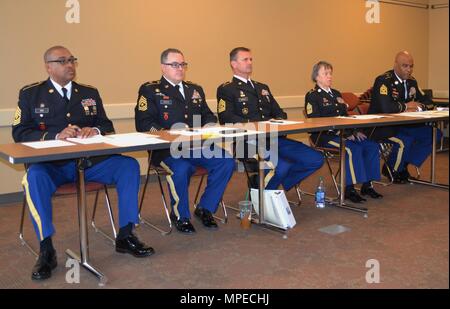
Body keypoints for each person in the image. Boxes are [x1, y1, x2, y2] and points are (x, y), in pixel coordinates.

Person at [12, 46, 155, 281]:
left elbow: (107, 125)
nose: (70, 65)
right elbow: (20, 132)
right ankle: (46, 248)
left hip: (89, 163)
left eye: (72, 60)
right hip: (52, 167)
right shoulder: (31, 94)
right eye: (63, 61)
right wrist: (56, 135)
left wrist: (95, 129)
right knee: (33, 177)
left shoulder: (89, 92)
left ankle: (126, 235)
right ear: (49, 66)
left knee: (128, 166)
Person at [135, 48, 235, 234]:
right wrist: (167, 135)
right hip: (166, 149)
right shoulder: (150, 90)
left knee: (226, 161)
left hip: (198, 146)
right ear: (163, 67)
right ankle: (181, 215)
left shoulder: (194, 90)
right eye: (174, 65)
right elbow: (144, 123)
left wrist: (210, 125)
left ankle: (205, 208)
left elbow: (207, 115)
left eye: (182, 64)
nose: (180, 68)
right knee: (181, 169)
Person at [217, 47, 323, 192]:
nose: (249, 62)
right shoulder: (227, 89)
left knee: (315, 159)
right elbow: (226, 117)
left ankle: (268, 183)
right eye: (245, 59)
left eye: (251, 59)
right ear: (233, 64)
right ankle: (264, 198)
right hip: (249, 143)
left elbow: (279, 112)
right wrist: (256, 126)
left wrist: (278, 121)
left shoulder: (262, 87)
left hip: (274, 138)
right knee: (281, 166)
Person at [305, 61, 383, 202]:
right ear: (317, 77)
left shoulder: (336, 94)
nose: (330, 76)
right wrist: (343, 134)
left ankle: (367, 185)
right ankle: (349, 189)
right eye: (326, 73)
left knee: (371, 145)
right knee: (351, 150)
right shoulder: (312, 96)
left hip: (344, 133)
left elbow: (345, 117)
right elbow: (315, 121)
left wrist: (354, 131)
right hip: (324, 136)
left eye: (330, 73)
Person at [369, 51, 440, 183]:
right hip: (384, 126)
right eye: (405, 66)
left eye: (411, 66)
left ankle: (402, 165)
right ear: (395, 65)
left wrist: (418, 107)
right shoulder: (384, 80)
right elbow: (386, 108)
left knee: (433, 134)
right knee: (406, 140)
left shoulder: (412, 81)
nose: (409, 69)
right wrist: (407, 106)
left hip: (405, 124)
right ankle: (393, 170)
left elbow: (428, 102)